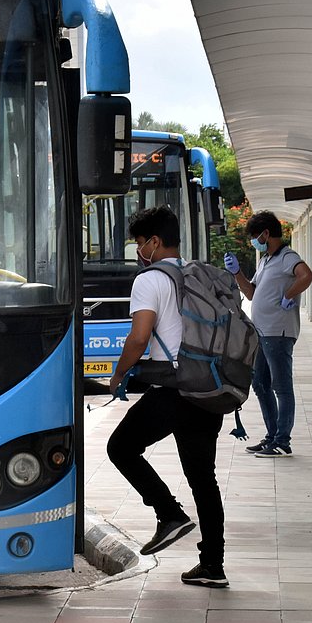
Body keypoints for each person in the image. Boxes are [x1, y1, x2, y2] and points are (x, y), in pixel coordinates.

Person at [105, 206, 229, 588]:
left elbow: (140, 336)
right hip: (209, 385)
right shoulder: (198, 274)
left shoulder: (150, 280)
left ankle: (169, 513)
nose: (139, 249)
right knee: (203, 479)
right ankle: (213, 565)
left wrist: (120, 372)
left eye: (140, 242)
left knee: (121, 448)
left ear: (154, 242)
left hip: (173, 391)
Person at [224, 210, 312, 458]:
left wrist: (288, 295)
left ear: (266, 233)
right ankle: (272, 435)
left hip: (279, 332)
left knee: (281, 387)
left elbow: (306, 276)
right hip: (262, 332)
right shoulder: (266, 260)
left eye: (255, 235)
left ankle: (282, 440)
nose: (254, 240)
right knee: (260, 383)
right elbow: (251, 293)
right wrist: (236, 272)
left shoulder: (287, 256)